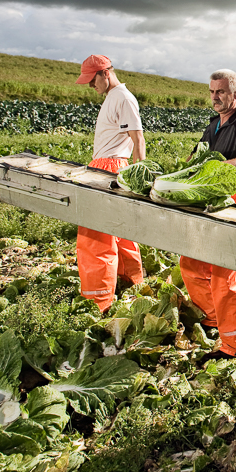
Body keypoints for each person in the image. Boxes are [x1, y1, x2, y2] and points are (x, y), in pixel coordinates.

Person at [179, 69, 236, 358]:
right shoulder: (214, 124)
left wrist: (221, 168)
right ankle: (212, 320)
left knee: (227, 274)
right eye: (212, 91)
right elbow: (196, 155)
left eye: (221, 92)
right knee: (192, 262)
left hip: (235, 202)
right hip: (209, 201)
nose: (215, 97)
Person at [74, 55, 147, 312]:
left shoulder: (123, 97)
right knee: (121, 231)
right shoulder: (114, 97)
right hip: (108, 165)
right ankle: (130, 285)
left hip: (109, 167)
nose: (90, 85)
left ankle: (98, 302)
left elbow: (138, 139)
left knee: (95, 235)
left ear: (105, 73)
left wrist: (140, 177)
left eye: (92, 79)